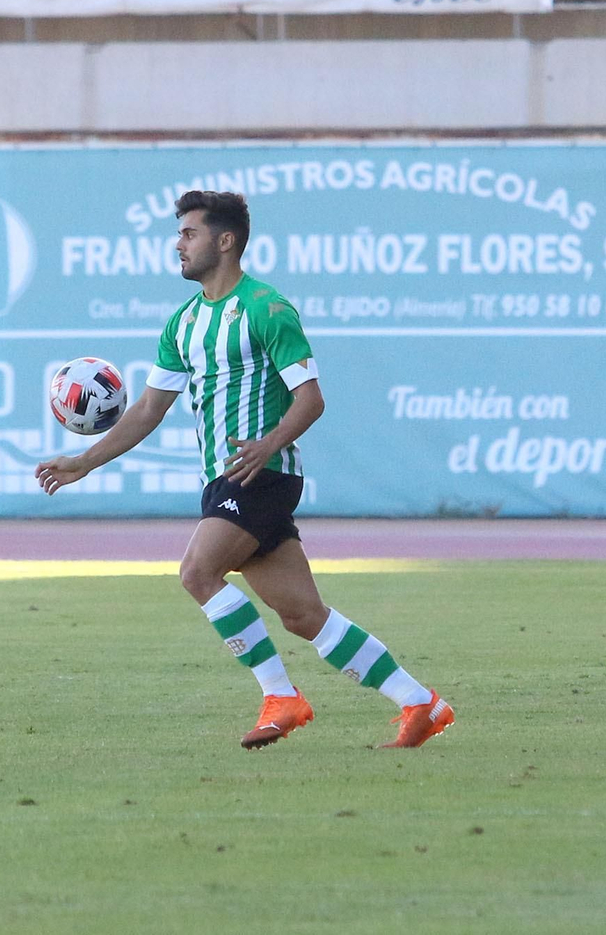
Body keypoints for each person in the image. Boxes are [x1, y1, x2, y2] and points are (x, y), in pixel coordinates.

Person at [35, 191, 454, 750]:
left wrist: (267, 444)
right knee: (304, 615)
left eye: (189, 233)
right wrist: (85, 462)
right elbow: (146, 411)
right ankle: (420, 702)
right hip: (225, 477)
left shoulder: (267, 309)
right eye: (179, 234)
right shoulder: (182, 323)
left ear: (225, 240)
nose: (178, 244)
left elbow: (311, 399)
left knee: (197, 572)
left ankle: (281, 696)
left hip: (262, 473)